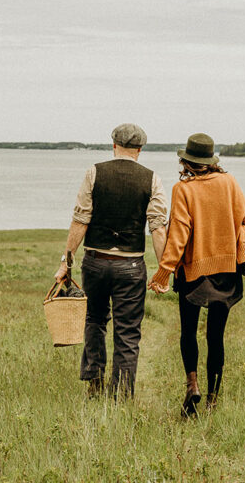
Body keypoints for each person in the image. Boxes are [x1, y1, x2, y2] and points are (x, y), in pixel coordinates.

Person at [54, 123, 168, 398]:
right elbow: (158, 227)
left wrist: (65, 264)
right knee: (128, 331)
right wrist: (164, 269)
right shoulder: (152, 179)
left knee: (94, 320)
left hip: (95, 261)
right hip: (131, 266)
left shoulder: (94, 172)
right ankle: (121, 394)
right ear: (139, 150)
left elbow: (80, 220)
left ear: (113, 145)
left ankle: (94, 383)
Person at [148, 132, 245, 416]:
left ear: (186, 161)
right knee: (216, 336)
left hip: (193, 272)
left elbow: (179, 234)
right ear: (210, 160)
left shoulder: (182, 190)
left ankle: (192, 384)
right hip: (226, 271)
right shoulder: (230, 182)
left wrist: (163, 272)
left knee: (188, 332)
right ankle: (213, 399)